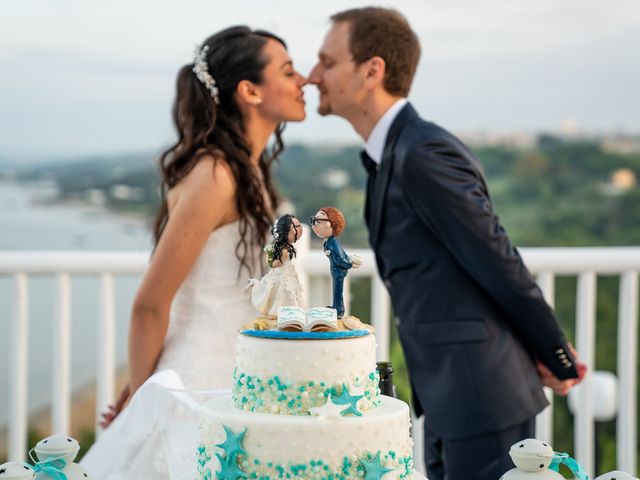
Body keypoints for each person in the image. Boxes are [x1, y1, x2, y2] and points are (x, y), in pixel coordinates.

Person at [309, 8, 586, 480]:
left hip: (482, 393)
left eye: (327, 62)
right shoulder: (395, 153)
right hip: (449, 392)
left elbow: (497, 259)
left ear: (372, 71)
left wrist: (556, 354)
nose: (313, 76)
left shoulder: (422, 153)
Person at [81, 26, 307, 478]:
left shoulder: (250, 172)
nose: (302, 80)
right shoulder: (216, 175)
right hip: (199, 388)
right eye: (287, 70)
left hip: (243, 381)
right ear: (250, 91)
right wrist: (143, 400)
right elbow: (150, 304)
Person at [249, 213, 305, 319]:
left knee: (289, 290)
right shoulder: (284, 250)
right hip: (283, 273)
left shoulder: (284, 247)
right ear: (289, 230)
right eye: (297, 226)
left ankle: (290, 312)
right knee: (284, 291)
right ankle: (284, 312)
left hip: (288, 272)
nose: (300, 228)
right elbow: (278, 263)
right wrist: (272, 262)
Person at [309, 207, 358, 318]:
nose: (313, 224)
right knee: (336, 290)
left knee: (337, 291)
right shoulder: (329, 242)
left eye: (317, 221)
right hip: (336, 270)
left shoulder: (332, 244)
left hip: (338, 271)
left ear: (328, 225)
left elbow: (340, 259)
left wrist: (350, 264)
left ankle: (339, 310)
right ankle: (336, 307)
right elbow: (342, 254)